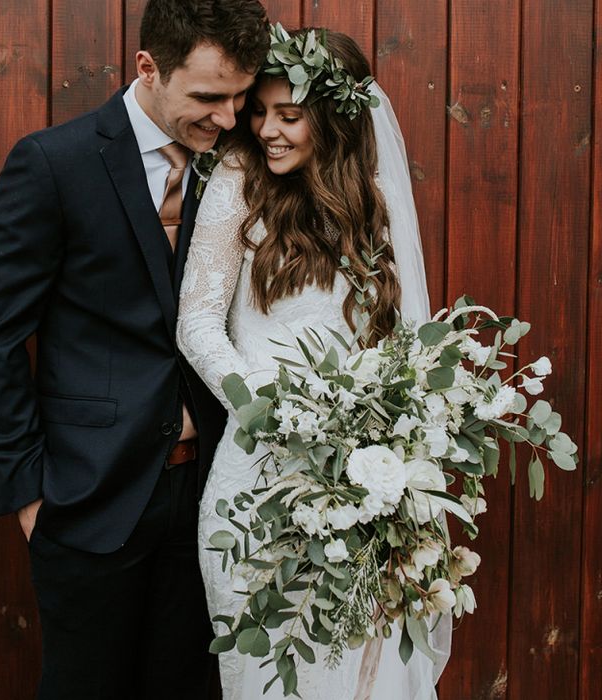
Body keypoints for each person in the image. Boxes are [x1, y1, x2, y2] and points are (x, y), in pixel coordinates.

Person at [0, 1, 268, 697]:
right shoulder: (53, 163)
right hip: (86, 499)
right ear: (147, 67)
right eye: (208, 97)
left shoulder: (237, 166)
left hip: (209, 501)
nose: (228, 118)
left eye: (239, 98)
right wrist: (29, 496)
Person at [177, 27, 450, 699]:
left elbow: (396, 346)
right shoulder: (238, 182)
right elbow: (198, 325)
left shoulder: (372, 204)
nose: (267, 129)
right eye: (261, 112)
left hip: (358, 483)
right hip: (257, 479)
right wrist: (266, 406)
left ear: (331, 120)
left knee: (355, 670)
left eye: (288, 116)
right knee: (267, 672)